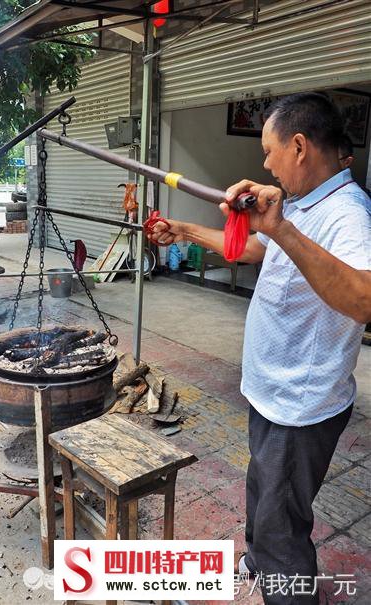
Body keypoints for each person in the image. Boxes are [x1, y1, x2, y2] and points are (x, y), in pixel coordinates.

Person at [146, 92, 371, 604]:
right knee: (264, 492)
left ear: (298, 146)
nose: (264, 163)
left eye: (269, 151)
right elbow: (255, 248)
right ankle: (259, 562)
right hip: (272, 390)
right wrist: (182, 229)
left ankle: (283, 585)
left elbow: (363, 300)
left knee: (281, 524)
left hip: (301, 403)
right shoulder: (302, 204)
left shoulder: (349, 213)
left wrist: (281, 227)